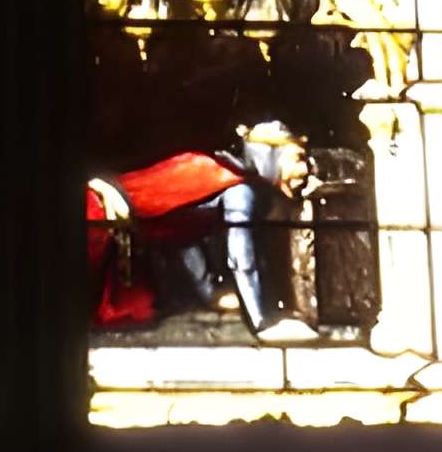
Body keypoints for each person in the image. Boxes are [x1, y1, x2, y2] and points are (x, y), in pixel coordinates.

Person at [87, 123, 317, 337]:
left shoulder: (230, 178)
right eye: (297, 158)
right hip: (99, 217)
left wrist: (210, 294)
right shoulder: (240, 191)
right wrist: (262, 323)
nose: (305, 169)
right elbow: (241, 259)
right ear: (269, 157)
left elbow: (182, 234)